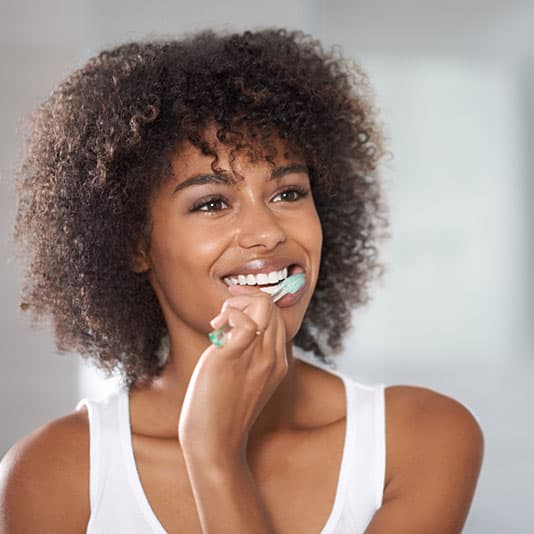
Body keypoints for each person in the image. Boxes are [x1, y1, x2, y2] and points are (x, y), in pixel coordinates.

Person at [0, 28, 483, 533]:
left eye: (288, 193)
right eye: (212, 203)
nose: (267, 232)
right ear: (135, 244)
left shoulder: (422, 438)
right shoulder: (53, 474)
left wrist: (215, 456)